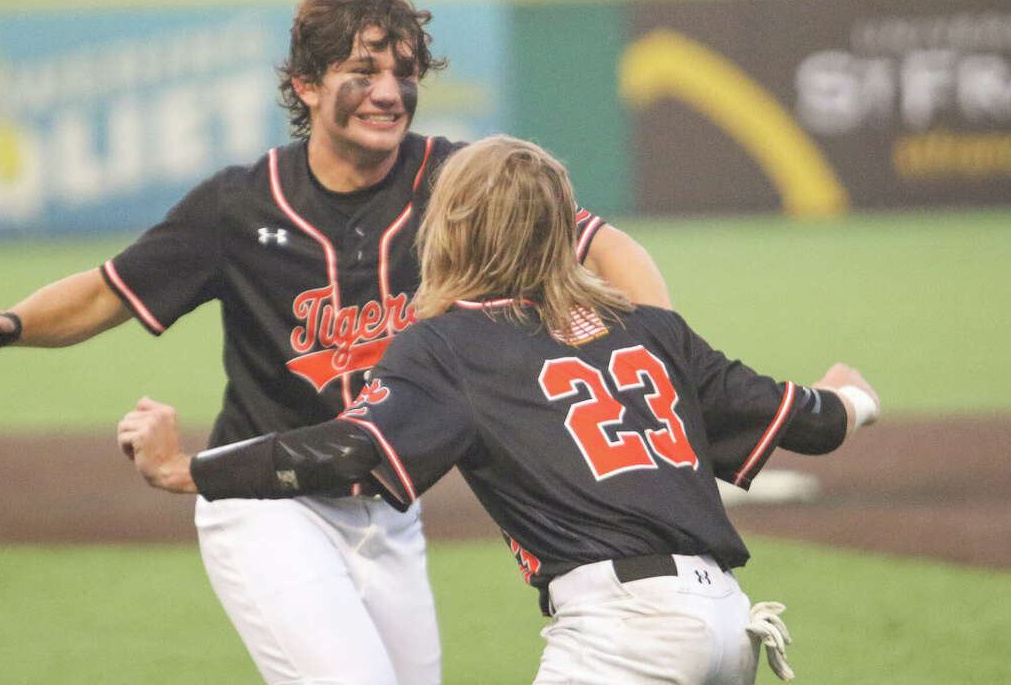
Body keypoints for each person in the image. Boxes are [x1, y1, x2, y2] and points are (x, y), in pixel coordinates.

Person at [0, 0, 671, 685]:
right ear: (307, 85)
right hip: (266, 506)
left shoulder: (456, 181)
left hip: (390, 508)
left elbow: (603, 248)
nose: (389, 92)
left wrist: (664, 353)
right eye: (363, 72)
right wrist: (8, 324)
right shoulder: (239, 205)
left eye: (404, 73)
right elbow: (109, 292)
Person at [117, 134, 880, 685]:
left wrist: (188, 469)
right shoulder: (652, 329)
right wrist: (853, 396)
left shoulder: (451, 345)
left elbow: (349, 451)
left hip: (622, 638)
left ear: (452, 228)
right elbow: (813, 422)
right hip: (728, 629)